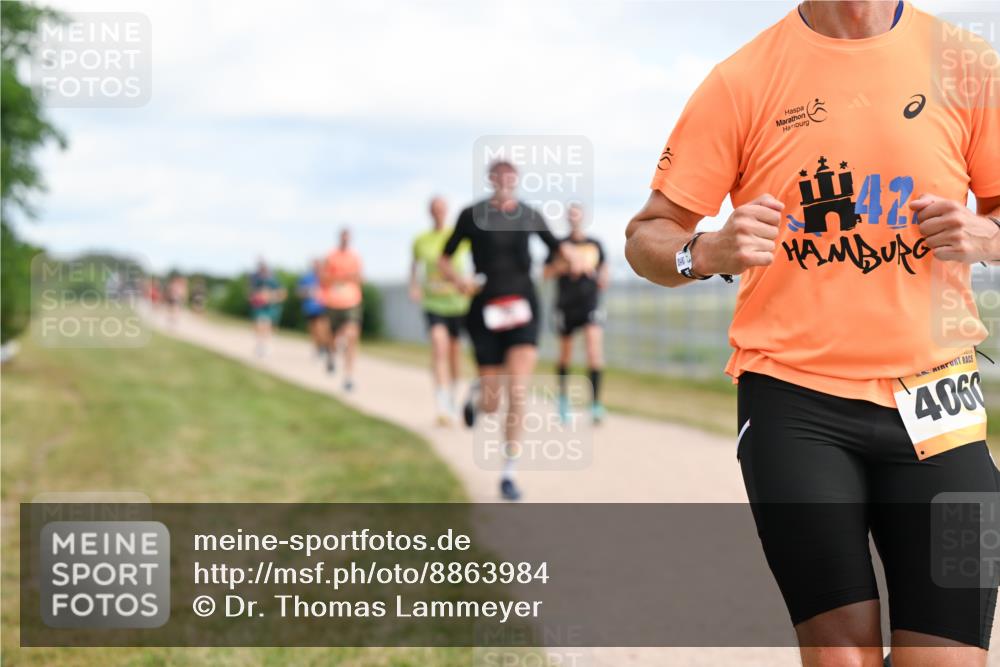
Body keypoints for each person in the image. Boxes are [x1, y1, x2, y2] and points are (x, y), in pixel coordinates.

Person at [625, 2, 1000, 664]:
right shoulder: (741, 79)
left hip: (938, 394)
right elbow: (647, 234)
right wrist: (705, 251)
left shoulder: (969, 67)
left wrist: (989, 235)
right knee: (839, 656)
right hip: (795, 400)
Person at [439, 160, 583, 501]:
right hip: (485, 309)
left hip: (522, 309)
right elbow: (445, 258)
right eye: (498, 175)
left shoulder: (529, 214)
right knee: (492, 401)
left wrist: (572, 257)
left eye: (510, 176)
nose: (505, 181)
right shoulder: (471, 215)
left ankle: (508, 472)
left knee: (518, 390)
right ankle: (477, 398)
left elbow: (557, 247)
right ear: (490, 179)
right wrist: (458, 280)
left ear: (516, 180)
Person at [543, 203, 608, 425]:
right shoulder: (559, 246)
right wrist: (567, 265)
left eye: (577, 213)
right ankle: (562, 401)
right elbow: (546, 272)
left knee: (594, 351)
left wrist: (599, 277)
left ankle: (596, 404)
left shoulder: (595, 244)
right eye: (570, 214)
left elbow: (604, 272)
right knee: (565, 355)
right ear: (567, 218)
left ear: (583, 217)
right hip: (566, 306)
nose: (574, 217)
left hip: (589, 304)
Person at [410, 196, 471, 425]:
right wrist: (414, 285)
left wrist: (468, 282)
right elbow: (414, 265)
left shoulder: (457, 238)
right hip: (433, 303)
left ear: (447, 212)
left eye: (442, 209)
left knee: (455, 354)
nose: (438, 213)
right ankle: (442, 404)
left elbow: (472, 260)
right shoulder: (421, 240)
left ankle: (454, 396)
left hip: (457, 303)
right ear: (429, 212)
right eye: (434, 210)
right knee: (439, 345)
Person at [321, 228, 363, 391]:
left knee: (351, 336)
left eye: (348, 238)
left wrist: (345, 278)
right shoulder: (331, 256)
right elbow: (324, 278)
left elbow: (359, 278)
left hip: (352, 301)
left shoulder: (355, 257)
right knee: (332, 337)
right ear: (339, 238)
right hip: (333, 302)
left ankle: (349, 376)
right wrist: (343, 277)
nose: (346, 240)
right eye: (343, 237)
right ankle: (332, 355)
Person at [249, 260, 286, 357]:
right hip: (259, 306)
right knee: (259, 325)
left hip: (270, 307)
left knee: (266, 325)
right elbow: (252, 294)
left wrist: (271, 297)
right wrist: (256, 298)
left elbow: (282, 294)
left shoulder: (274, 281)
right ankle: (260, 344)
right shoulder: (257, 281)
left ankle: (264, 345)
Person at [297, 259, 329, 359]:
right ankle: (318, 349)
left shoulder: (325, 277)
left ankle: (324, 347)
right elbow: (299, 292)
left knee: (322, 328)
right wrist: (309, 292)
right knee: (313, 330)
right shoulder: (307, 278)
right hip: (310, 308)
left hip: (323, 308)